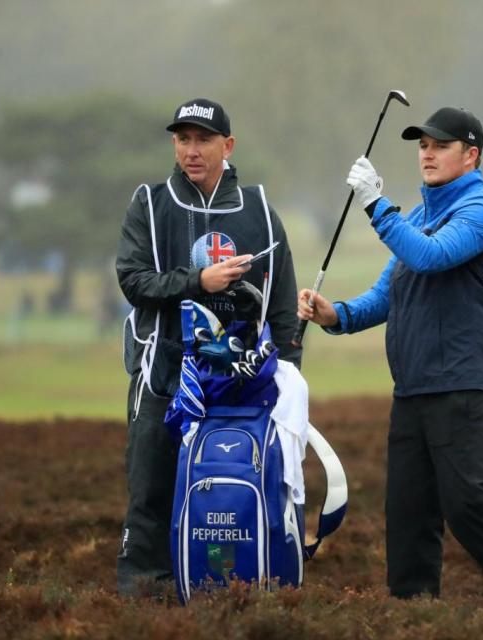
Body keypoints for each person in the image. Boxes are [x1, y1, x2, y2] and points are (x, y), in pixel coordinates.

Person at [297, 106, 483, 604]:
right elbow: (387, 296)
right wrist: (334, 314)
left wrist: (375, 204)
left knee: (468, 503)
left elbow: (431, 256)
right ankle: (413, 613)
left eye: (440, 145)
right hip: (414, 386)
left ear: (471, 155)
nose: (427, 154)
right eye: (422, 146)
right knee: (408, 512)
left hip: (463, 383)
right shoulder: (421, 214)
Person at [115, 97, 301, 597]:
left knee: (229, 499)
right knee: (151, 496)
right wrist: (199, 281)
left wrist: (287, 375)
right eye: (182, 139)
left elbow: (282, 305)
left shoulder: (260, 212)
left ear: (228, 145)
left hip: (241, 385)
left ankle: (226, 594)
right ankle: (144, 604)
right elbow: (133, 281)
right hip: (163, 378)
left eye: (203, 140)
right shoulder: (150, 205)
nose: (191, 151)